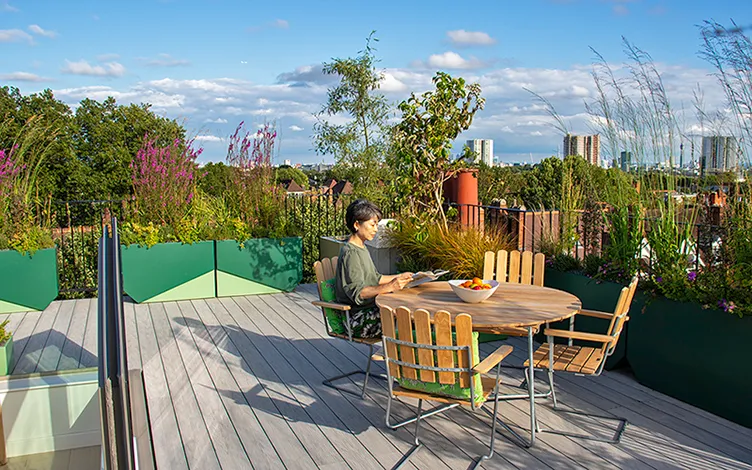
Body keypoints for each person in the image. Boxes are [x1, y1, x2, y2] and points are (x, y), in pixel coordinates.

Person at [335, 199, 412, 338]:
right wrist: (390, 287)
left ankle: (405, 355)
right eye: (372, 224)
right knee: (407, 316)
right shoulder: (351, 253)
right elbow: (359, 293)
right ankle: (405, 356)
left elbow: (376, 278)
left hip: (369, 310)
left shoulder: (361, 247)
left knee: (409, 312)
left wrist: (400, 277)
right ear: (357, 224)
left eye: (376, 224)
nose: (376, 229)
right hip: (356, 319)